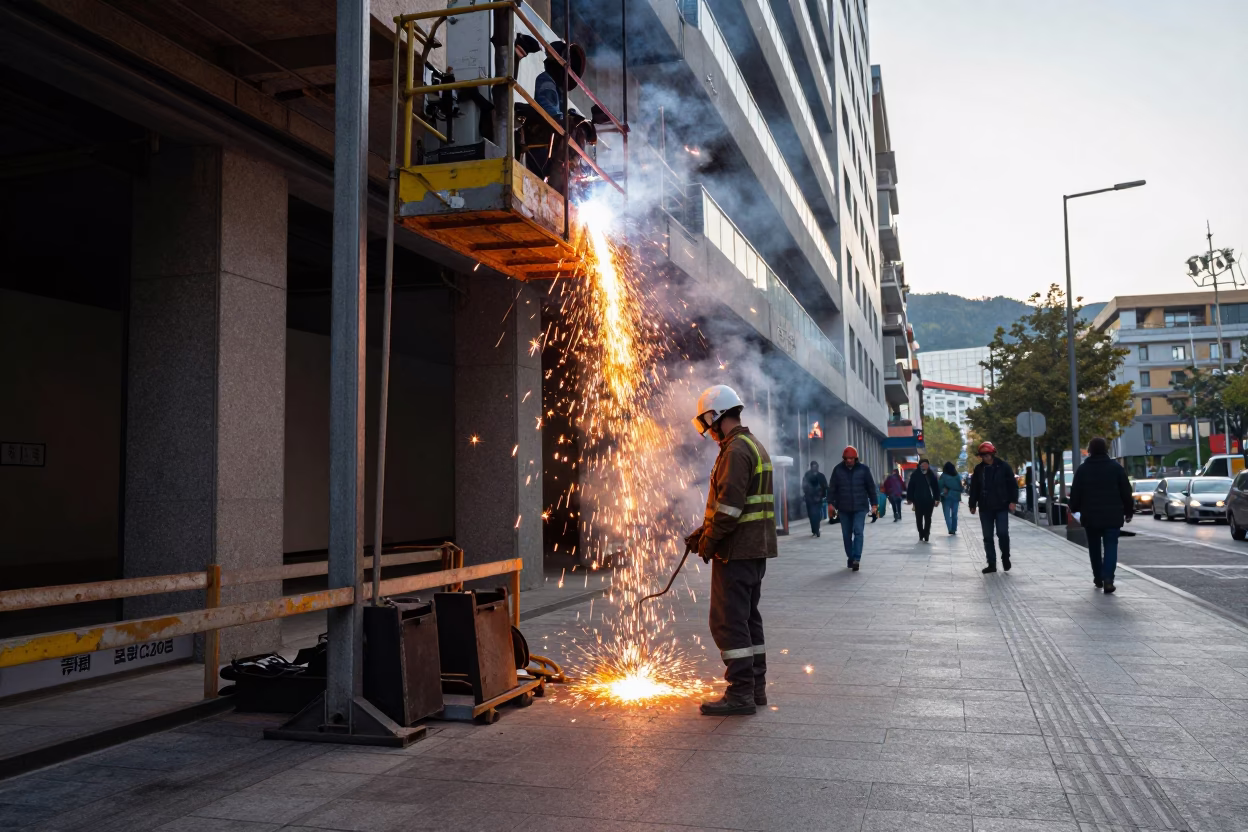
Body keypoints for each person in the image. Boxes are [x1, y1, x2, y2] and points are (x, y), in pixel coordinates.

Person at [685, 384, 777, 716]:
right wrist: (703, 531)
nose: (708, 431)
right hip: (753, 550)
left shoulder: (736, 451)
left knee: (728, 621)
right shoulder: (752, 445)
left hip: (736, 552)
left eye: (708, 423)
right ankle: (755, 688)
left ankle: (740, 694)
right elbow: (736, 506)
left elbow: (728, 510)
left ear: (717, 416)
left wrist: (708, 542)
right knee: (748, 619)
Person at [1068, 437, 1133, 593]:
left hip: (1091, 516)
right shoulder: (1116, 468)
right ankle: (1108, 579)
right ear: (1105, 449)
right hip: (1113, 516)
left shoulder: (1083, 469)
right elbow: (1126, 491)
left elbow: (1076, 492)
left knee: (1094, 548)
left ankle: (1098, 577)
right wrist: (1128, 511)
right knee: (1111, 547)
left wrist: (1074, 508)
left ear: (1090, 450)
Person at [968, 441, 1017, 574]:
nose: (985, 457)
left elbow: (1012, 485)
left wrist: (1013, 501)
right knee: (988, 536)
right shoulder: (979, 470)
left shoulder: (1004, 467)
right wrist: (972, 504)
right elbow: (974, 488)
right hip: (985, 507)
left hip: (1001, 506)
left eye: (987, 455)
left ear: (992, 454)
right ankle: (991, 563)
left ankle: (1005, 557)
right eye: (982, 455)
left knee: (1002, 533)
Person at [827, 445, 878, 571]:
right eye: (847, 458)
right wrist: (830, 503)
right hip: (843, 507)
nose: (849, 460)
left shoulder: (864, 470)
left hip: (860, 507)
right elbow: (832, 488)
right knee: (846, 534)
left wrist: (874, 505)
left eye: (851, 458)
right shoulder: (838, 470)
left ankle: (857, 558)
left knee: (858, 531)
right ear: (844, 458)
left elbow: (871, 488)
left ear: (856, 458)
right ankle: (850, 557)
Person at [906, 459, 940, 542]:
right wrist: (909, 498)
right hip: (918, 500)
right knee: (919, 518)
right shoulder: (915, 475)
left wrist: (937, 499)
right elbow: (911, 487)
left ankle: (927, 532)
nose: (924, 466)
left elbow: (936, 488)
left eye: (926, 464)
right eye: (922, 464)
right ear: (920, 465)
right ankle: (921, 532)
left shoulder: (931, 475)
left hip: (929, 500)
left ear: (928, 465)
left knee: (928, 517)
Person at [801, 461, 828, 537]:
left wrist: (824, 495)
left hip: (818, 498)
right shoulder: (807, 475)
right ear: (811, 467)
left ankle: (817, 529)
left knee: (817, 514)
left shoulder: (821, 476)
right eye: (813, 466)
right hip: (810, 499)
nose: (814, 468)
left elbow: (825, 486)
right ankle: (814, 530)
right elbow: (804, 486)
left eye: (815, 466)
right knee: (811, 515)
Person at [938, 461, 963, 535]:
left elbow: (940, 486)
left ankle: (950, 529)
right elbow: (961, 488)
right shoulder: (957, 476)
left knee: (947, 514)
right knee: (954, 513)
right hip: (956, 496)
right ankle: (954, 528)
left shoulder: (943, 476)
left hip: (946, 497)